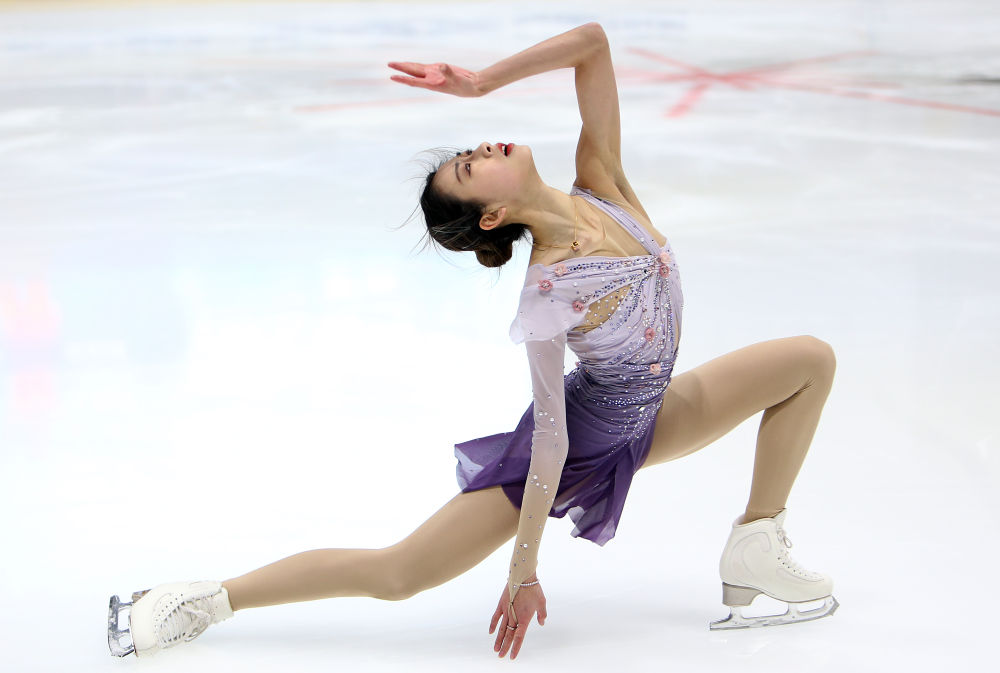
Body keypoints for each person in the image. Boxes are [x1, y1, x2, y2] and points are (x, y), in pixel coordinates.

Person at [107, 22, 838, 661]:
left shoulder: (602, 183)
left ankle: (756, 544)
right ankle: (198, 599)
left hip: (652, 412)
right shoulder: (549, 290)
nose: (482, 147)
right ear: (492, 214)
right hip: (577, 445)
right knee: (399, 572)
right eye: (470, 166)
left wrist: (481, 81)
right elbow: (550, 435)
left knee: (809, 361)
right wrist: (524, 567)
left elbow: (592, 44)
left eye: (468, 150)